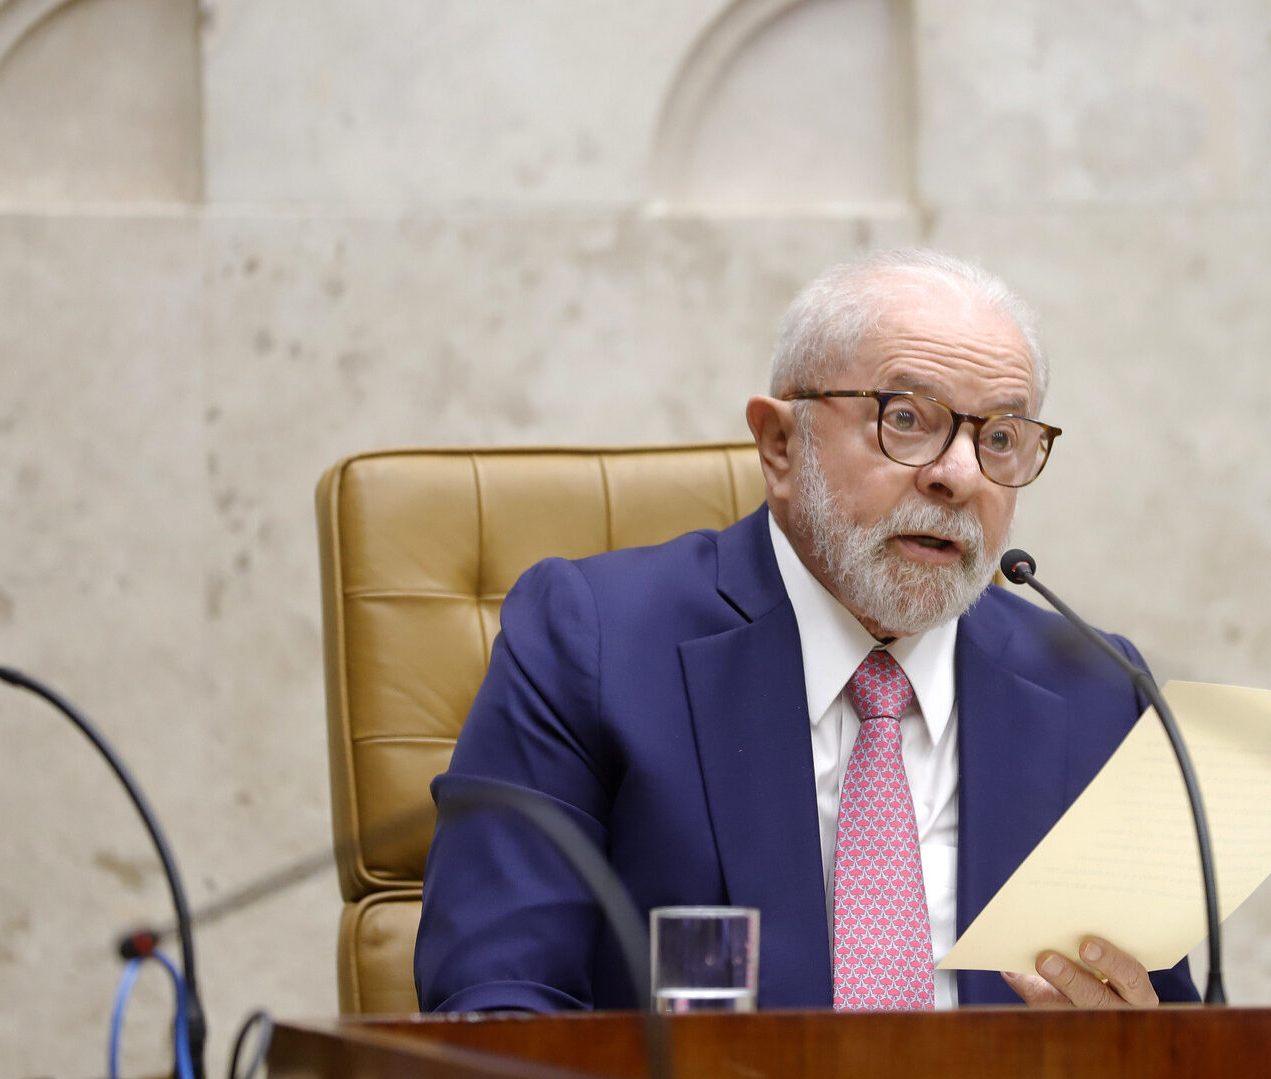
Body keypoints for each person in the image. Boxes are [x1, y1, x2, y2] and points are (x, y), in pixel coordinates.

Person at [416, 249, 1196, 1011]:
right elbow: (498, 1005)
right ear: (780, 444)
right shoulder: (593, 644)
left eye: (998, 438)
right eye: (907, 420)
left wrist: (1133, 1049)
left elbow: (1173, 1040)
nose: (958, 476)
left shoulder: (1095, 690)